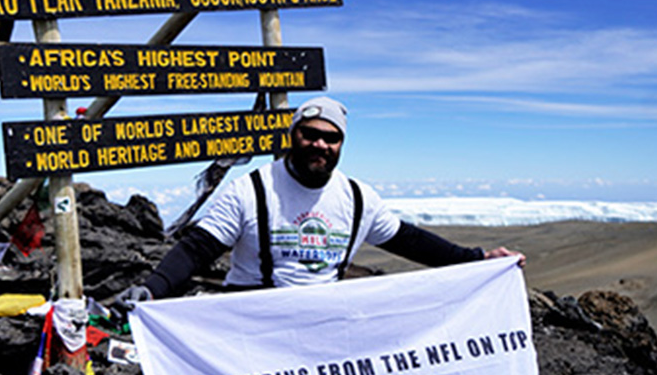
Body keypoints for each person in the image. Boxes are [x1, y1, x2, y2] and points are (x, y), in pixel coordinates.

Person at [113, 96, 524, 313]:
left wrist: (478, 260)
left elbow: (409, 241)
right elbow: (198, 247)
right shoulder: (250, 189)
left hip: (319, 319)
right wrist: (154, 289)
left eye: (331, 138)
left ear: (342, 143)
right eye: (309, 134)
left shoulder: (357, 198)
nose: (320, 145)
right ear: (294, 135)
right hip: (248, 315)